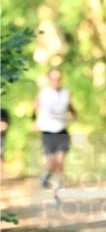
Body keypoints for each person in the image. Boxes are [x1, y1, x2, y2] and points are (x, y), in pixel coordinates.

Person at [34, 68, 76, 201]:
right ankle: (46, 175)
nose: (55, 81)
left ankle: (57, 194)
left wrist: (73, 115)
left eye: (58, 78)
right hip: (47, 132)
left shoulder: (65, 93)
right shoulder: (43, 93)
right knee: (51, 163)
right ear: (48, 79)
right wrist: (34, 120)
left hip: (62, 131)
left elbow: (71, 108)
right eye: (53, 78)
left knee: (60, 162)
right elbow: (34, 107)